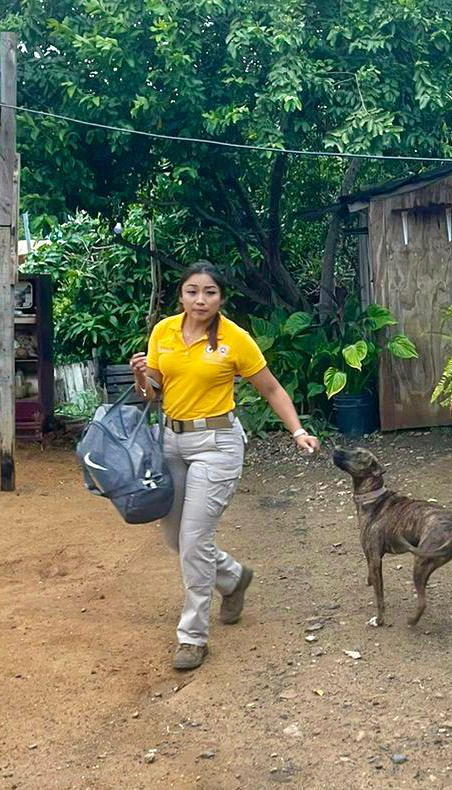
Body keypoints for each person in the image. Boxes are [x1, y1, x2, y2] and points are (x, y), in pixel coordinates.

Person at [129, 262, 320, 671]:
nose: (200, 300)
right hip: (170, 441)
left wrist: (298, 430)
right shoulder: (164, 331)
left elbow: (270, 388)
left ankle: (192, 636)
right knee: (175, 538)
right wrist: (142, 377)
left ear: (221, 298)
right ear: (181, 295)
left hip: (216, 444)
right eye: (192, 291)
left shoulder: (235, 339)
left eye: (210, 292)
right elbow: (155, 392)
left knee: (194, 539)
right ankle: (232, 577)